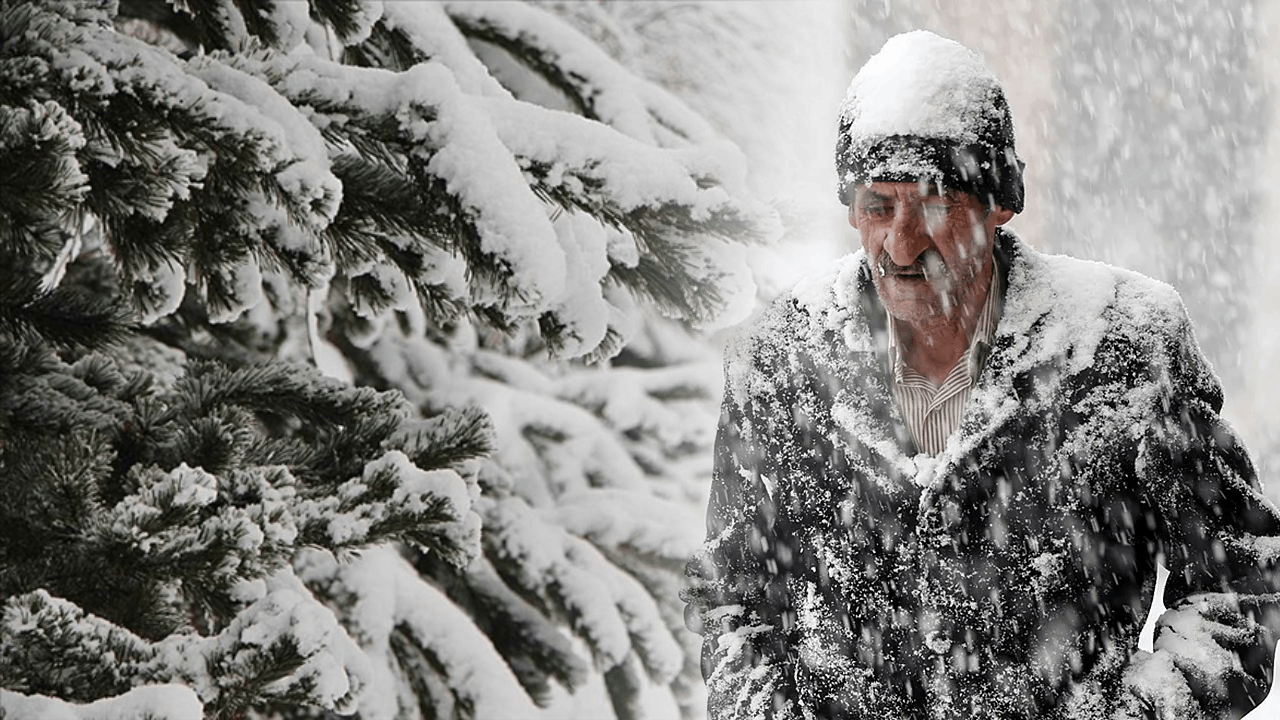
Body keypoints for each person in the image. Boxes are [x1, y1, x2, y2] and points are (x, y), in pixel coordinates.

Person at [683, 30, 1280, 720]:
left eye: (935, 206)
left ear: (999, 203)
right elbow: (734, 599)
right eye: (879, 207)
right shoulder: (781, 357)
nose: (901, 244)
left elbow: (1240, 585)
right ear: (851, 209)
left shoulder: (1125, 343)